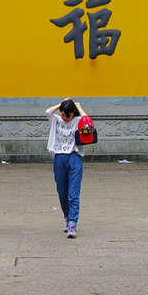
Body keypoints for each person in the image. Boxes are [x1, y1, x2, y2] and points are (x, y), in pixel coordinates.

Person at [46, 97, 88, 238]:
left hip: (74, 157)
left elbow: (88, 121)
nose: (64, 117)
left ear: (73, 113)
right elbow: (47, 112)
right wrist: (62, 104)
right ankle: (67, 216)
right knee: (62, 192)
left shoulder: (78, 121)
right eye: (62, 114)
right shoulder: (56, 120)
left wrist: (78, 106)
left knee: (73, 194)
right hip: (59, 158)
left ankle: (72, 224)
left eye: (67, 115)